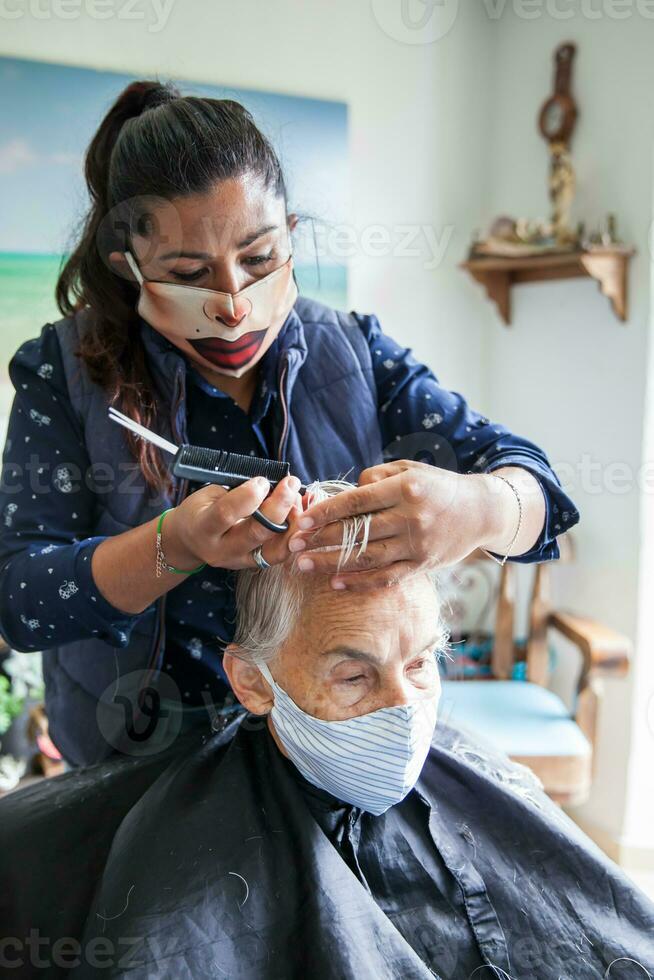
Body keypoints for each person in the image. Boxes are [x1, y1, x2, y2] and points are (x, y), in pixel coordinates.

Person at [0, 79, 579, 768]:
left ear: (292, 236)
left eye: (259, 258)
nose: (236, 305)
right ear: (131, 270)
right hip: (141, 770)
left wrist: (477, 508)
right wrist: (175, 544)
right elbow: (22, 599)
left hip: (338, 755)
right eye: (190, 272)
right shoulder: (64, 377)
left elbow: (542, 493)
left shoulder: (357, 356)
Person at [0, 484, 649, 980]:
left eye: (421, 662)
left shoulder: (484, 778)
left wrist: (490, 502)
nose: (404, 707)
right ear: (252, 682)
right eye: (354, 678)